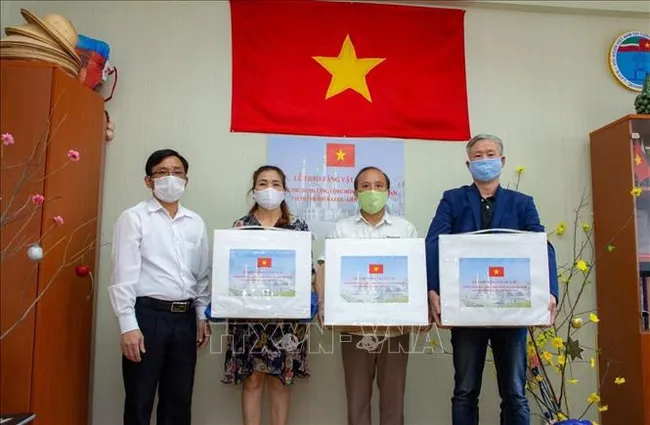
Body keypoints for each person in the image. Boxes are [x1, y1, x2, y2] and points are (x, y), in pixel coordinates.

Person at [424, 134, 559, 425]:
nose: (484, 160)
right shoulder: (453, 199)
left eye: (490, 154)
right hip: (466, 310)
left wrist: (551, 293)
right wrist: (433, 289)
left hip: (511, 311)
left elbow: (541, 245)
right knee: (464, 390)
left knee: (514, 393)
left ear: (502, 161)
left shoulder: (523, 203)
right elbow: (433, 242)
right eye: (478, 156)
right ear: (468, 163)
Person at [108, 149, 212, 425]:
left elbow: (202, 276)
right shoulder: (134, 218)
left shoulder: (195, 222)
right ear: (148, 181)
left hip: (185, 318)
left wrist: (201, 315)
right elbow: (123, 276)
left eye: (177, 173)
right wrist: (128, 326)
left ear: (186, 180)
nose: (171, 178)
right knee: (140, 400)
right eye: (162, 173)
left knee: (178, 401)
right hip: (147, 317)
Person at [315, 166, 418, 425]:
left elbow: (417, 274)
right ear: (355, 193)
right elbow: (325, 269)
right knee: (357, 402)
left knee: (394, 402)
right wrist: (324, 304)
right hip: (354, 328)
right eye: (365, 186)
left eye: (379, 185)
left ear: (388, 191)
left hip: (396, 330)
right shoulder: (342, 229)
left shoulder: (405, 229)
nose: (372, 191)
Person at [222, 165, 311, 425]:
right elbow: (231, 272)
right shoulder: (240, 227)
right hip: (247, 318)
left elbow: (308, 271)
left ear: (284, 190)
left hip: (287, 319)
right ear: (253, 190)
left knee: (281, 381)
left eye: (275, 183)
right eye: (262, 183)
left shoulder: (298, 227)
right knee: (252, 380)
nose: (269, 189)